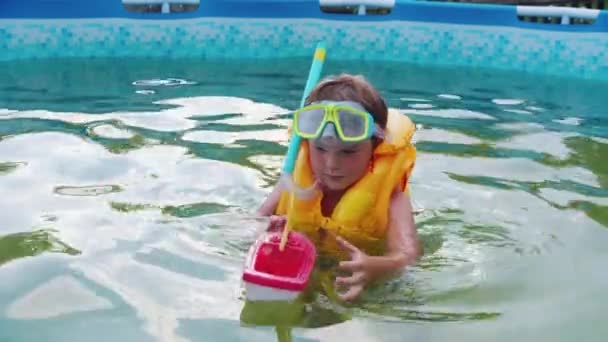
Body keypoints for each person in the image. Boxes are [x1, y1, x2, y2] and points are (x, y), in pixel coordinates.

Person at [257, 74, 421, 302]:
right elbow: (250, 223)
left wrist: (377, 267)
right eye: (321, 149)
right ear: (306, 143)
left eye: (348, 152)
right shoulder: (294, 182)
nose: (332, 165)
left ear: (375, 147)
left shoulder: (393, 196)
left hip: (357, 281)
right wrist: (263, 233)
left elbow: (408, 256)